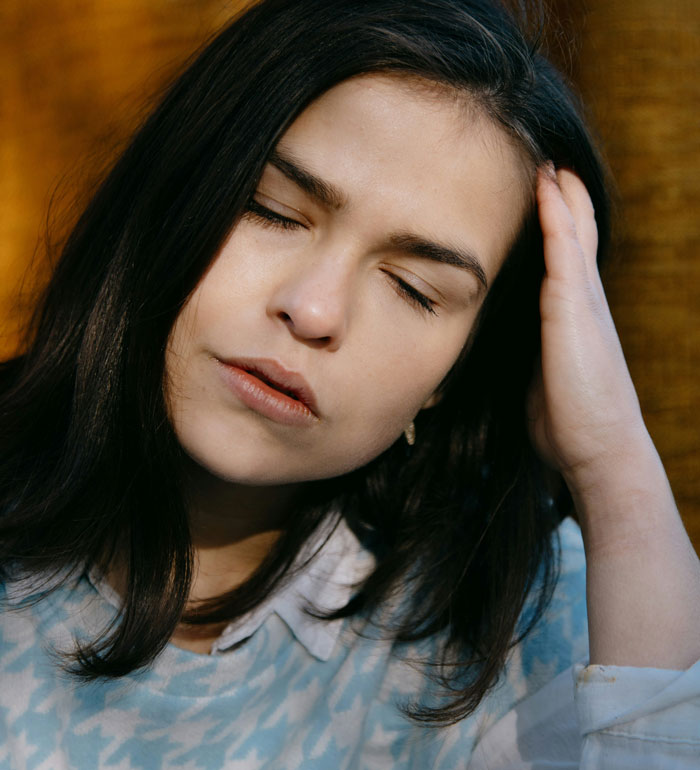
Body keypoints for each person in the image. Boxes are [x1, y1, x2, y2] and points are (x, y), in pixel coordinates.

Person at [1, 0, 699, 767]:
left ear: (455, 372)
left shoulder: (512, 622)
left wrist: (616, 474)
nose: (314, 310)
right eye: (273, 211)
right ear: (171, 195)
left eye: (412, 288)